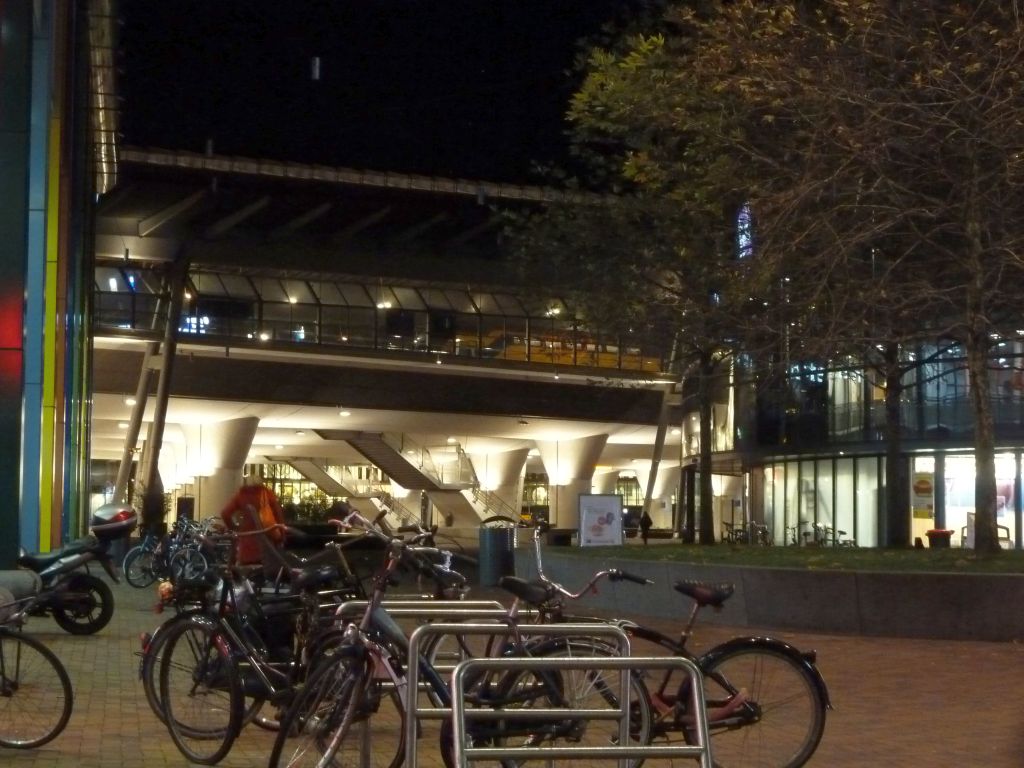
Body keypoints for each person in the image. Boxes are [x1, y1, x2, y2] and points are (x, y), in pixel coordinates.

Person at [220, 475, 285, 566]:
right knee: (267, 572)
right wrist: (281, 536)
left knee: (246, 572)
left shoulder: (241, 495)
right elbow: (278, 515)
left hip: (247, 541)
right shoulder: (267, 494)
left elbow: (225, 513)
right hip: (267, 540)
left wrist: (234, 527)